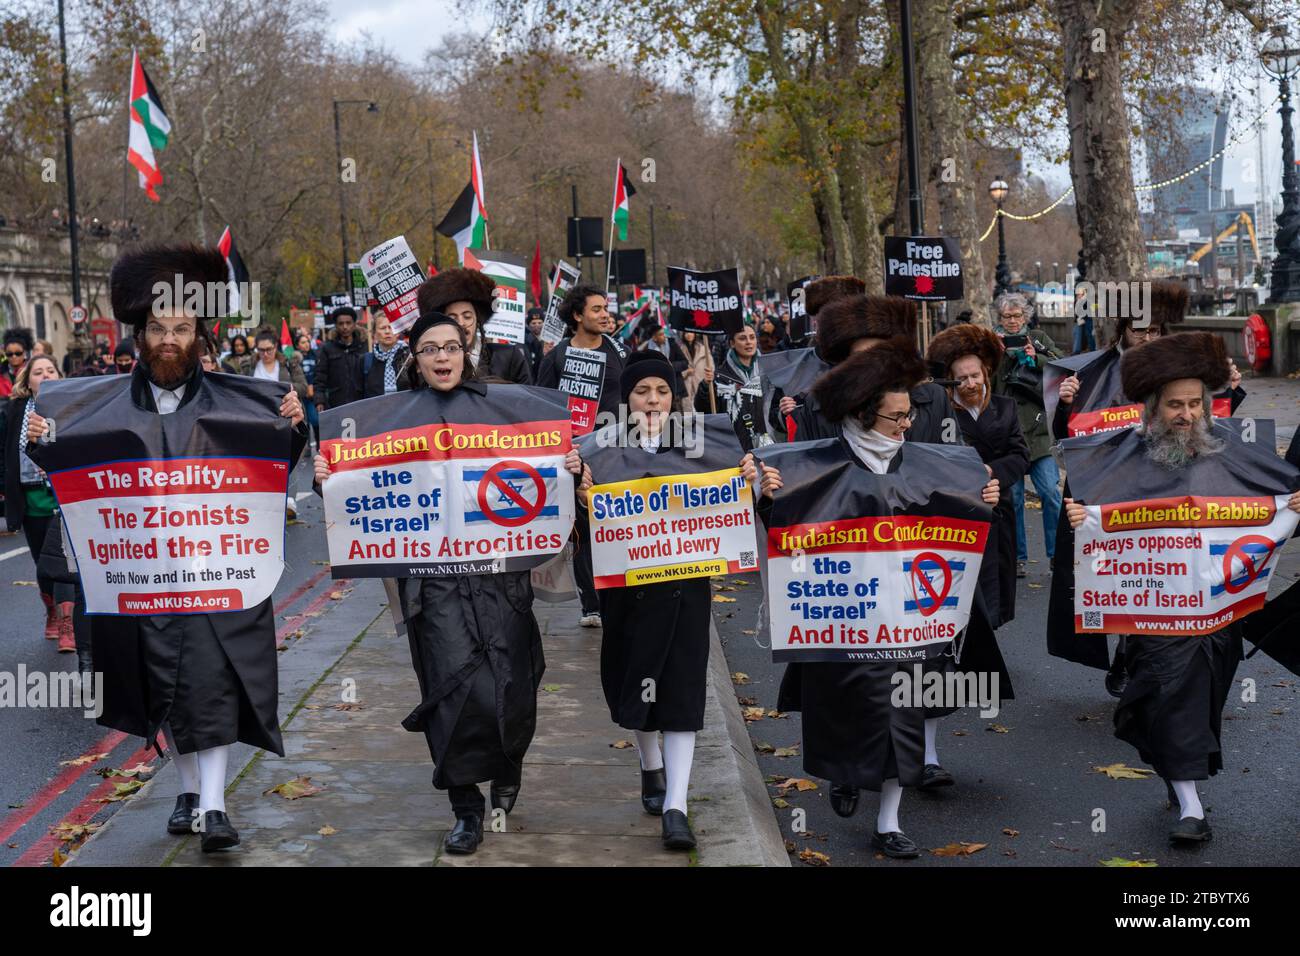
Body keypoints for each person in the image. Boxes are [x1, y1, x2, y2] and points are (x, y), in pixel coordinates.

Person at [26, 244, 307, 852]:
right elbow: (67, 471)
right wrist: (43, 441)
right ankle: (188, 793)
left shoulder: (241, 399)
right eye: (159, 329)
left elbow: (275, 462)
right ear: (140, 336)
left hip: (217, 574)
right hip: (138, 580)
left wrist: (294, 425)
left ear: (199, 336)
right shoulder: (92, 406)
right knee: (165, 690)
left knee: (212, 684)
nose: (170, 340)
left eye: (182, 328)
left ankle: (213, 806)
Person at [314, 312, 586, 855]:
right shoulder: (390, 420)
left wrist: (571, 468)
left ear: (468, 353)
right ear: (414, 360)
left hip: (500, 578)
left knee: (514, 681)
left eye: (452, 347)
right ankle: (465, 806)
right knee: (450, 691)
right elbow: (365, 501)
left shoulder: (508, 408)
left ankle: (508, 766)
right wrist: (329, 482)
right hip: (432, 586)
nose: (442, 357)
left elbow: (549, 482)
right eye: (430, 349)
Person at [745, 340, 1001, 858]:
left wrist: (983, 500)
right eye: (895, 418)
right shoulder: (812, 463)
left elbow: (956, 523)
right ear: (863, 415)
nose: (906, 427)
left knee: (901, 718)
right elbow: (784, 532)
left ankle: (888, 822)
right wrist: (764, 495)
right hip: (845, 620)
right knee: (848, 710)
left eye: (909, 416)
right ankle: (846, 774)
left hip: (908, 623)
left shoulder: (928, 462)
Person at [1063, 331, 1300, 844]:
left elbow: (1279, 501)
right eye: (1175, 405)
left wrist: (1294, 509)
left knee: (1203, 699)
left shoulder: (1235, 451)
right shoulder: (1118, 456)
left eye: (1196, 404)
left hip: (1221, 613)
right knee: (1172, 692)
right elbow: (1091, 516)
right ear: (1152, 407)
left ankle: (1180, 773)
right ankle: (1192, 808)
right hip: (1155, 614)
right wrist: (1080, 517)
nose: (1187, 414)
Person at [1048, 281, 1246, 696]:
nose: (1148, 338)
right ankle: (1126, 652)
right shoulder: (1089, 372)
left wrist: (1227, 387)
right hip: (1110, 490)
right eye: (1140, 330)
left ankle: (1149, 653)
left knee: (1161, 574)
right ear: (1122, 328)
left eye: (1156, 330)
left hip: (1170, 487)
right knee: (1122, 574)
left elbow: (1212, 423)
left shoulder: (1181, 367)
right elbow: (1069, 438)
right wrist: (1065, 403)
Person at [582, 351, 744, 851]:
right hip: (626, 594)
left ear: (674, 397)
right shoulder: (597, 452)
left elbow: (736, 502)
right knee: (637, 682)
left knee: (680, 689)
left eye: (662, 391)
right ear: (625, 399)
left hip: (685, 589)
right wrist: (580, 491)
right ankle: (649, 765)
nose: (652, 401)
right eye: (641, 392)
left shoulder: (706, 447)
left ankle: (677, 804)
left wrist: (752, 480)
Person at [537, 283, 630, 628]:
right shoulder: (556, 357)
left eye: (605, 307)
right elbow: (543, 406)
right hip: (574, 454)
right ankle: (591, 603)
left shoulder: (620, 352)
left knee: (613, 524)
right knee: (582, 530)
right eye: (596, 309)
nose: (605, 314)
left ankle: (617, 594)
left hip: (616, 452)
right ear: (577, 316)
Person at [927, 324, 1030, 627]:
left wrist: (991, 470)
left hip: (998, 505)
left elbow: (1021, 455)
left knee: (995, 579)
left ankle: (989, 639)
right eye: (962, 378)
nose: (970, 384)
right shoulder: (940, 411)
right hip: (955, 510)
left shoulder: (1006, 407)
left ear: (985, 373)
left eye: (975, 376)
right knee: (958, 580)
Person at [1, 354, 75, 650]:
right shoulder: (16, 409)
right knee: (42, 564)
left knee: (64, 560)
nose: (45, 376)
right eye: (38, 372)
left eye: (50, 370)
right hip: (30, 495)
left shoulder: (72, 406)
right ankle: (51, 613)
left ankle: (68, 624)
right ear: (27, 382)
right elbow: (6, 450)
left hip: (62, 494)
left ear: (59, 375)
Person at [991, 292, 1063, 579]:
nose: (1012, 321)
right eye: (1007, 316)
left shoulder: (1039, 337)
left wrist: (1038, 356)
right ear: (999, 318)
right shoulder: (990, 342)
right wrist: (996, 356)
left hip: (1038, 432)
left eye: (1017, 316)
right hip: (1007, 433)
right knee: (1015, 500)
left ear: (1026, 316)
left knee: (1050, 493)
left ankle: (1057, 554)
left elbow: (1063, 365)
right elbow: (986, 380)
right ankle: (1017, 558)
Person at [416, 269, 532, 384]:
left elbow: (526, 399)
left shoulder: (509, 358)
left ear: (478, 321)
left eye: (467, 316)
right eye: (453, 318)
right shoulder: (430, 365)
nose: (461, 323)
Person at [695, 323, 769, 450]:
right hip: (733, 447)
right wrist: (706, 387)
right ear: (732, 343)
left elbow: (775, 411)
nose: (748, 342)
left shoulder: (768, 372)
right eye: (742, 338)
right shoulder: (720, 377)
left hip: (766, 447)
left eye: (752, 337)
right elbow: (704, 411)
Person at [314, 307, 369, 412]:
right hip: (336, 404)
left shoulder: (365, 346)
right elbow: (320, 376)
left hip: (361, 402)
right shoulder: (327, 348)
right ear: (336, 325)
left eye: (348, 323)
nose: (345, 327)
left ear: (354, 324)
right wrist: (319, 400)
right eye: (341, 323)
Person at [362, 316, 410, 398]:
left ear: (398, 332)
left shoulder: (408, 357)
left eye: (391, 327)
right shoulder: (365, 360)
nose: (387, 331)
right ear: (374, 333)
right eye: (383, 328)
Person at [294, 331, 319, 444]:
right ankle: (307, 445)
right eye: (303, 342)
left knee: (315, 420)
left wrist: (313, 386)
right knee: (304, 421)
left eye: (307, 341)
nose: (306, 344)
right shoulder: (294, 359)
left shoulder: (315, 355)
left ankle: (319, 443)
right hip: (301, 395)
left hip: (314, 393)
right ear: (297, 345)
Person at [1, 327, 33, 398]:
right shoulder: (1, 374)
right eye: (9, 354)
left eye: (18, 353)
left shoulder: (32, 371)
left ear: (24, 352)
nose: (14, 356)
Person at [524, 306, 546, 375]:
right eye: (533, 323)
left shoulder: (547, 340)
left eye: (540, 323)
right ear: (528, 324)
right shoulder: (526, 340)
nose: (537, 325)